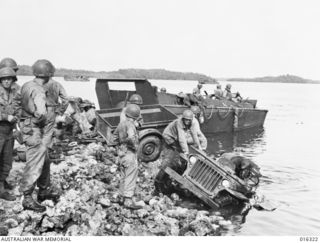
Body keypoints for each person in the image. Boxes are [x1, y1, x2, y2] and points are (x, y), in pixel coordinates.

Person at [19, 59, 60, 212]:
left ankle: (43, 191)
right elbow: (41, 112)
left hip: (28, 126)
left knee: (46, 159)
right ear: (48, 75)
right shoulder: (38, 90)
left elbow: (18, 103)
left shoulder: (26, 85)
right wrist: (37, 120)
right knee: (35, 161)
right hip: (34, 130)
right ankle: (27, 197)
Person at [154, 109, 203, 193]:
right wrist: (186, 152)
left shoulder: (191, 124)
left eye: (189, 120)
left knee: (182, 155)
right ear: (183, 119)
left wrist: (199, 147)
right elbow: (182, 139)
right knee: (173, 157)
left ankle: (179, 172)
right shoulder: (179, 123)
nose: (187, 121)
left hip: (175, 138)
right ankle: (160, 182)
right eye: (186, 119)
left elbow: (195, 135)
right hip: (169, 137)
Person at [113, 104, 143, 209]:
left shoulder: (121, 124)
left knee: (123, 176)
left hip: (122, 154)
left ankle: (121, 197)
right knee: (131, 175)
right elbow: (131, 138)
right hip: (130, 153)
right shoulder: (130, 125)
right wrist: (135, 147)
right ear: (135, 116)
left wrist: (119, 149)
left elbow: (114, 138)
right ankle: (128, 200)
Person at [0, 67, 21, 201]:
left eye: (9, 79)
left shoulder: (14, 93)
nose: (7, 82)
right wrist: (5, 116)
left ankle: (1, 183)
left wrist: (16, 126)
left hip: (9, 131)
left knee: (7, 161)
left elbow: (18, 110)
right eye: (4, 79)